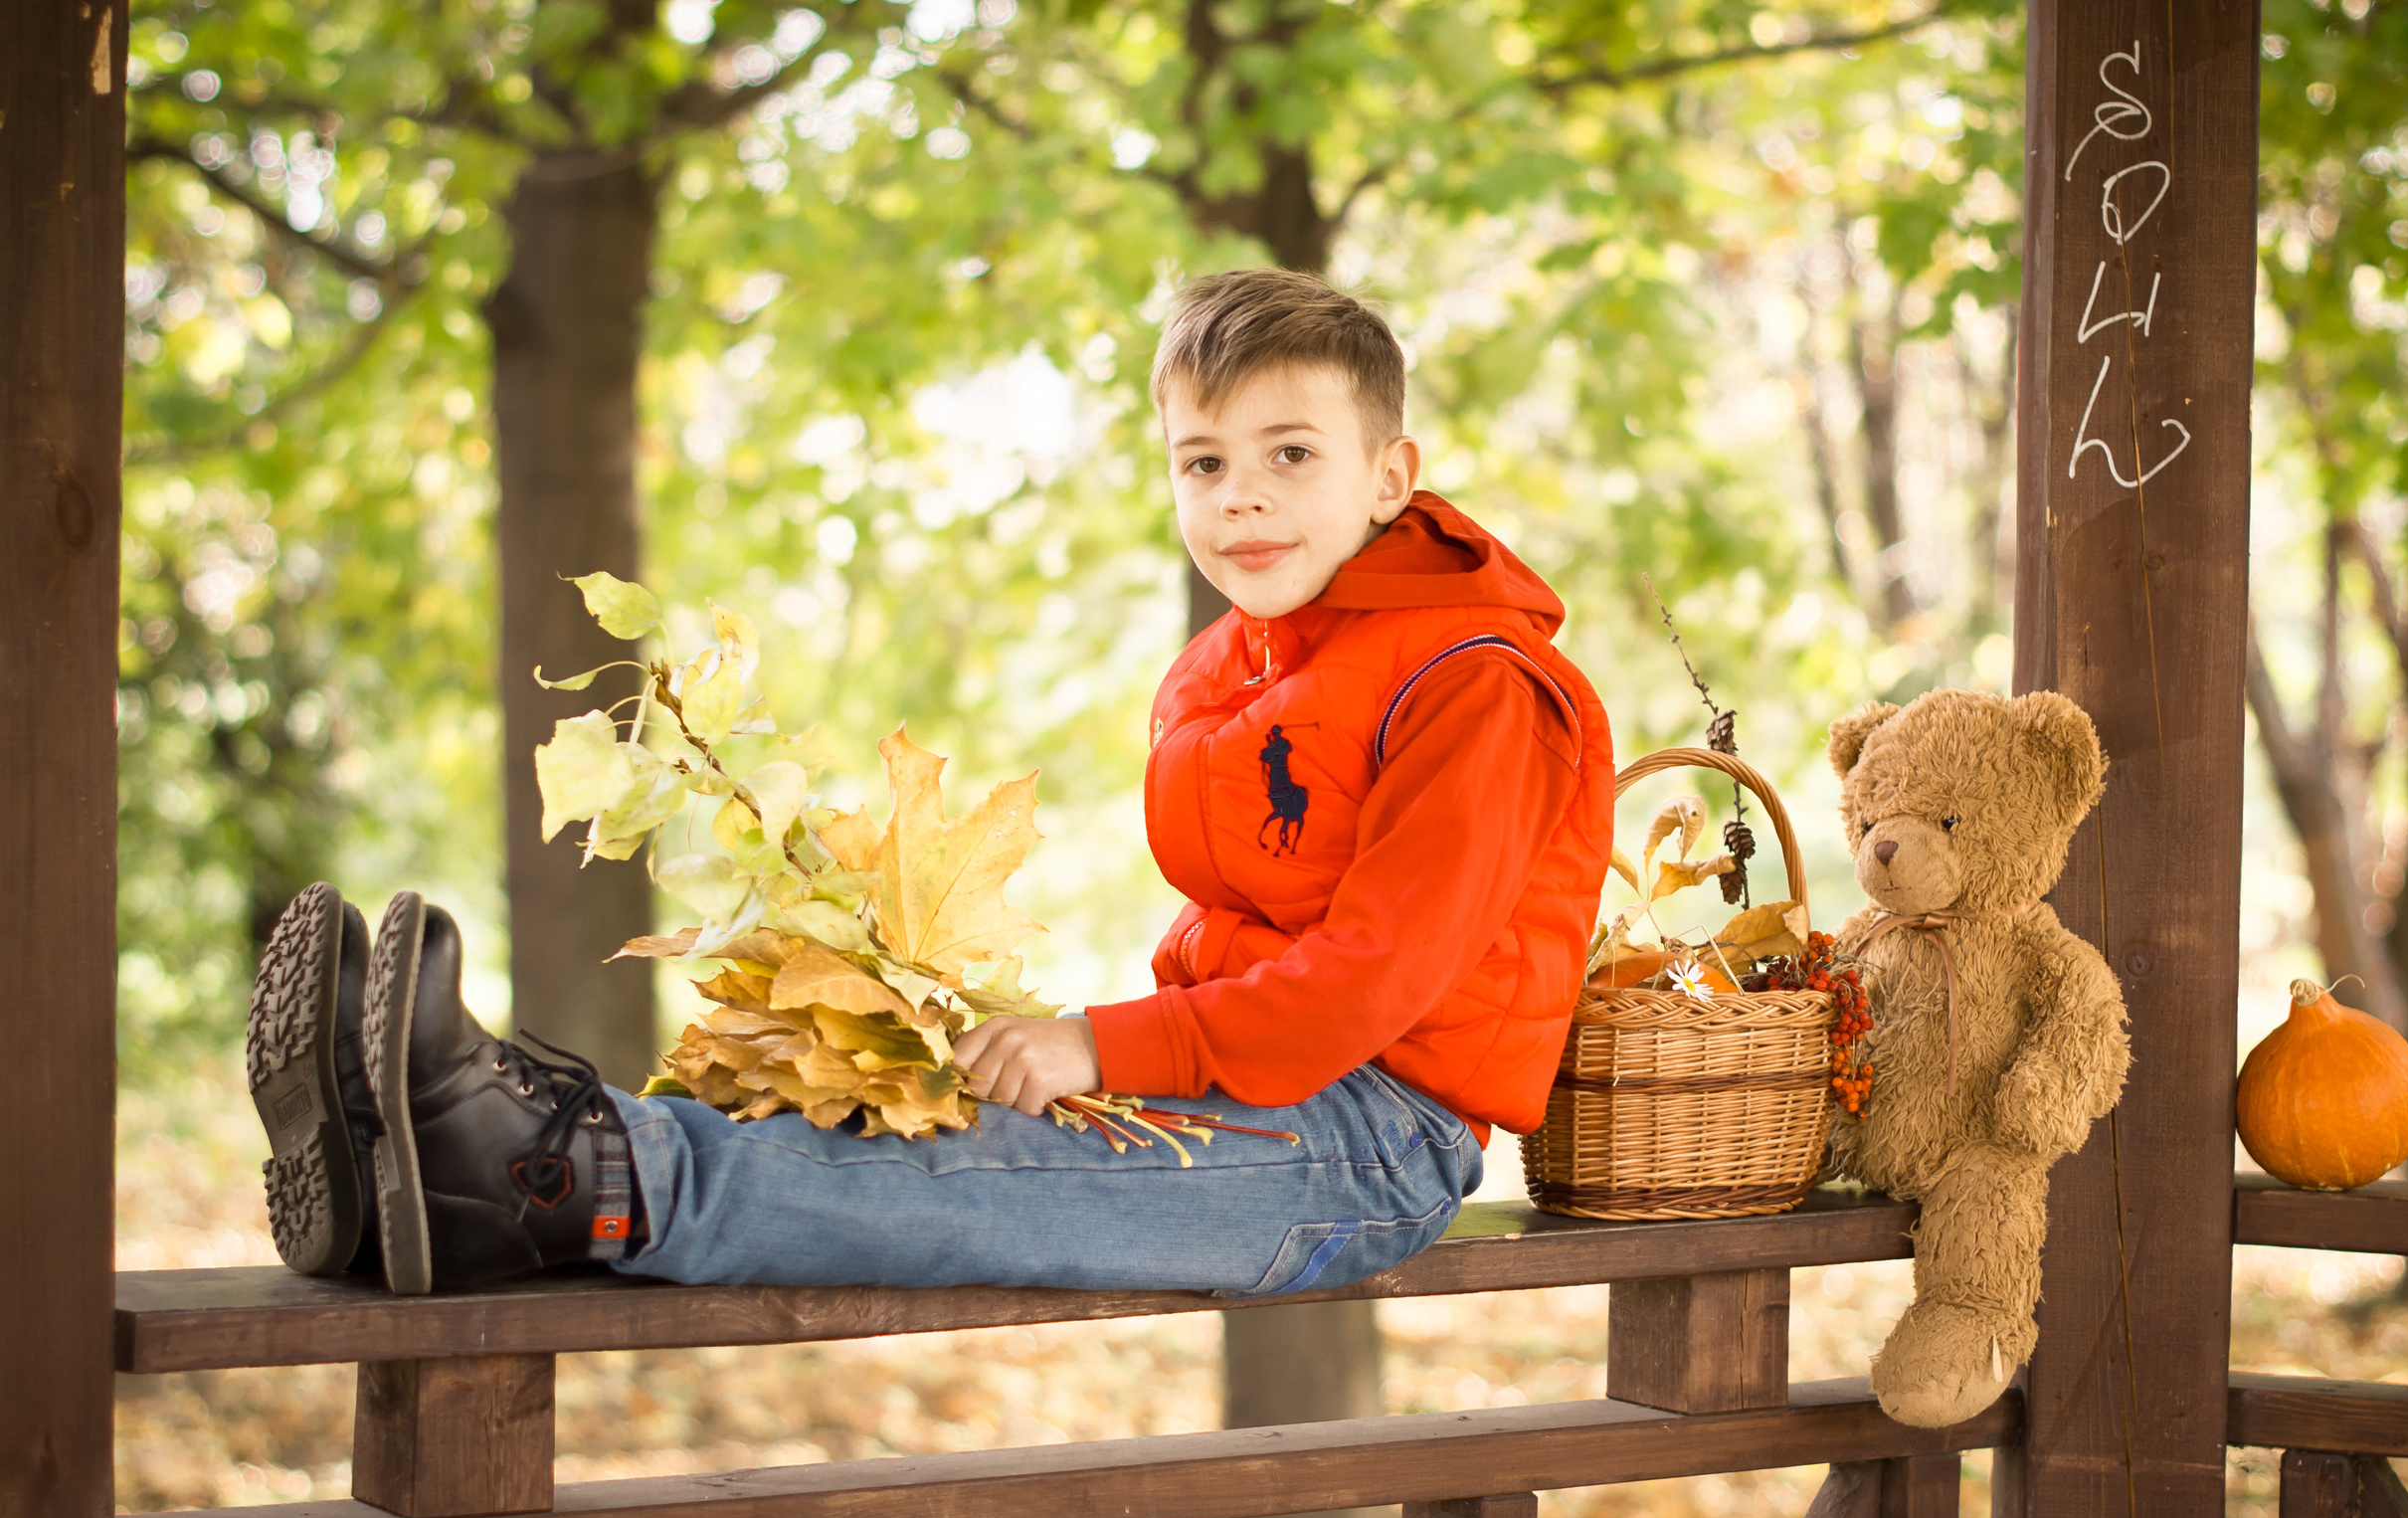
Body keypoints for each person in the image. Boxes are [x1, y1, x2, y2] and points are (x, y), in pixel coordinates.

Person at [248, 269, 1615, 1298]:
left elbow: (1369, 982)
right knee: (901, 1099)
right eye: (1205, 463)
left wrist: (1107, 1042)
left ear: (1393, 475)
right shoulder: (1240, 664)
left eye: (1291, 455)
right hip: (1259, 1088)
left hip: (1372, 1145)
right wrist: (1065, 1042)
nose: (1240, 500)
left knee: (975, 1171)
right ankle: (402, 1172)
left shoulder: (1478, 686)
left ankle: (571, 1177)